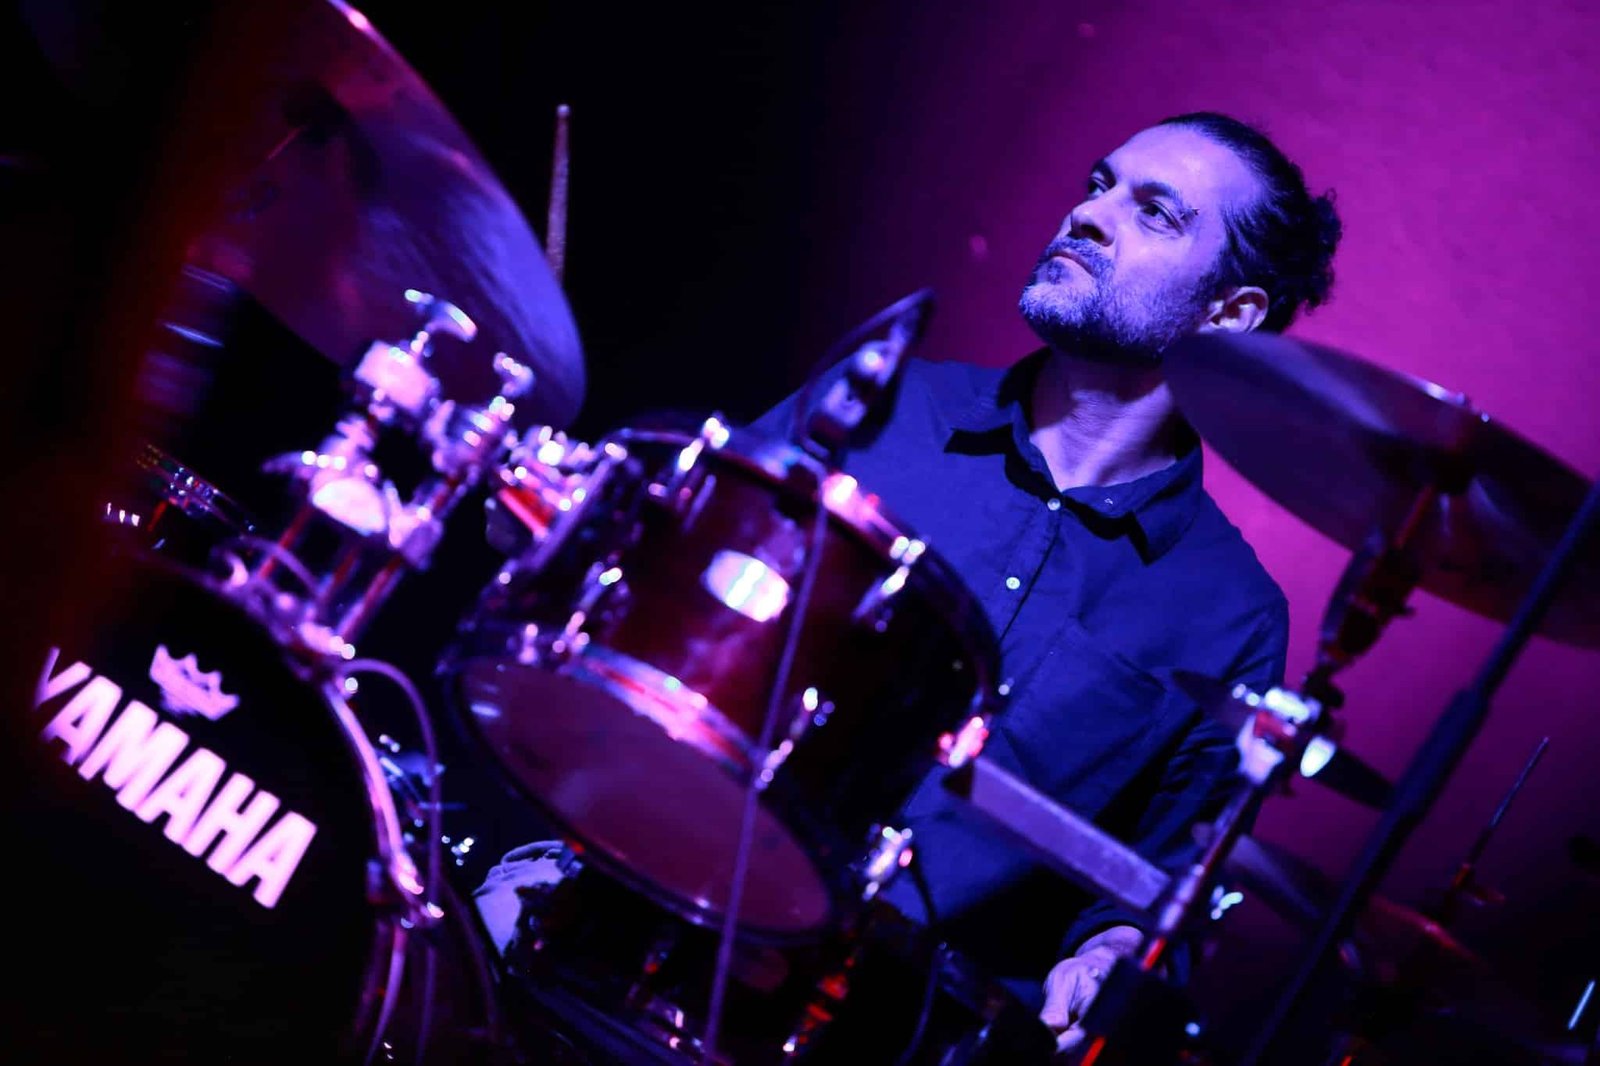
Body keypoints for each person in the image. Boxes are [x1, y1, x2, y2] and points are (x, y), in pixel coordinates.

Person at [473, 110, 1341, 1058]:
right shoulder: (885, 409)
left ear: (1228, 316)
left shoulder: (1230, 616)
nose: (1091, 214)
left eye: (1155, 212)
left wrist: (1111, 955)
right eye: (1099, 184)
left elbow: (1149, 890)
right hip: (639, 910)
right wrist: (576, 532)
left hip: (878, 1032)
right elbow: (666, 605)